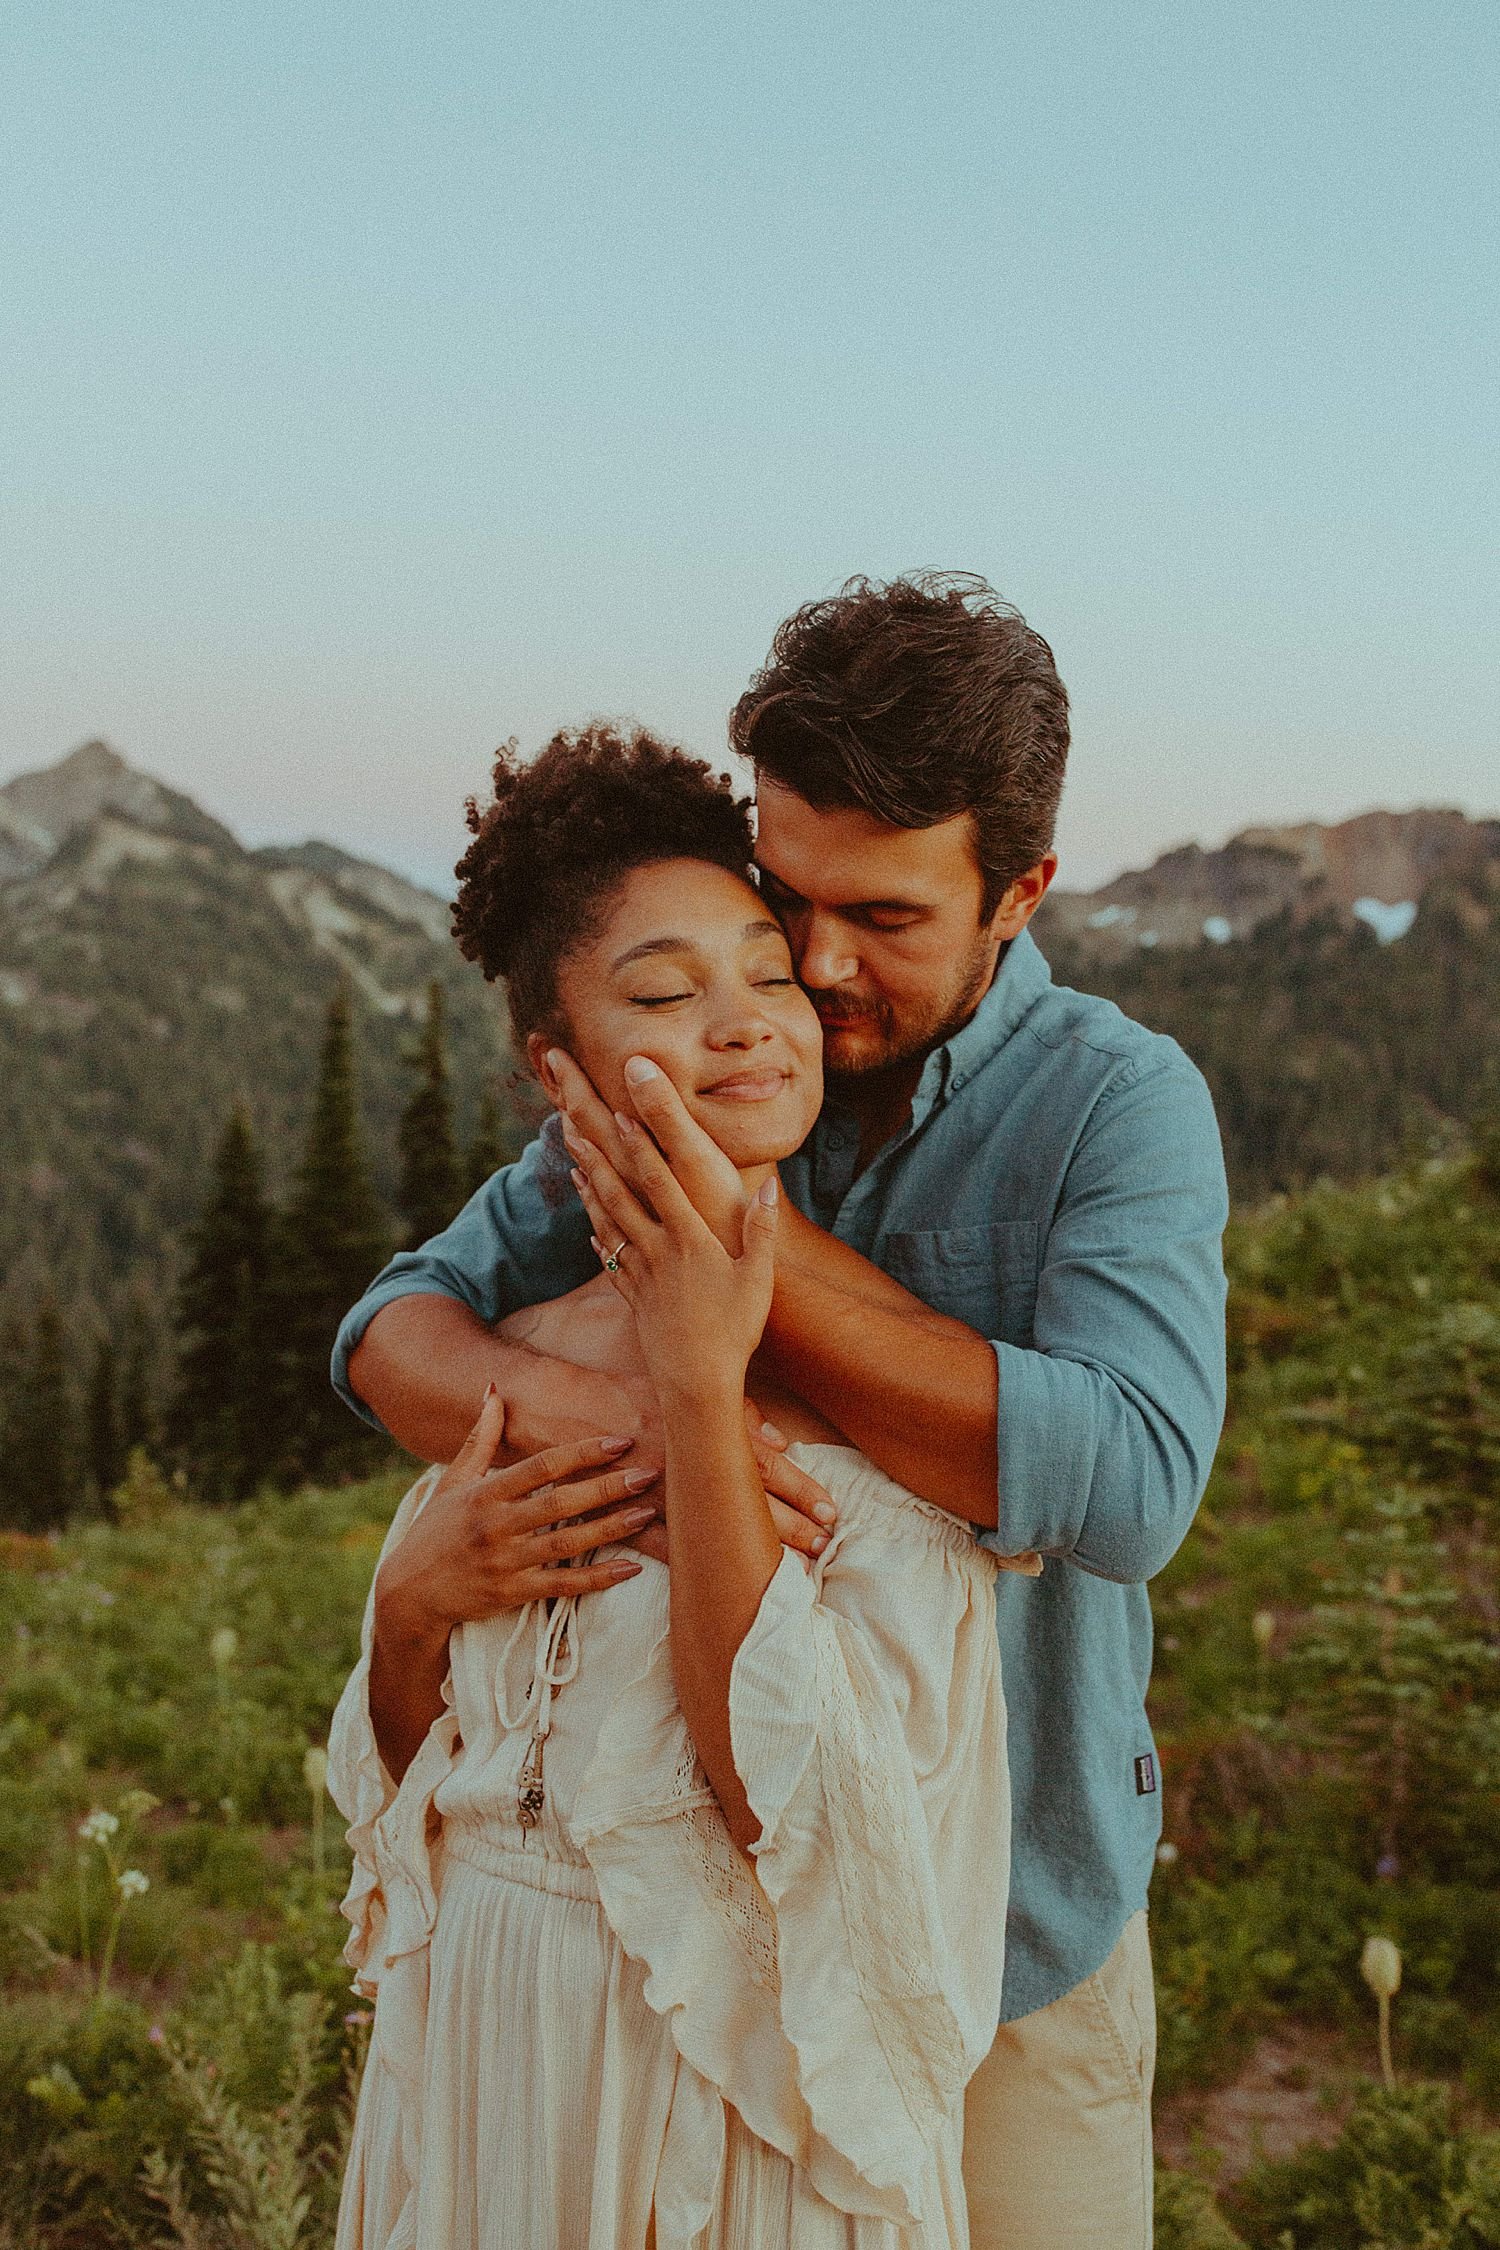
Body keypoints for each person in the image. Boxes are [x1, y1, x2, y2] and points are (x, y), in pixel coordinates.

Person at [334, 575, 1230, 2249]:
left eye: (882, 917)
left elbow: (1126, 1487)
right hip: (691, 1942)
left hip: (1010, 1941)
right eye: (786, 888)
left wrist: (745, 1246)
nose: (811, 968)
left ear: (1018, 891)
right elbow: (394, 1329)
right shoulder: (706, 1054)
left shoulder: (1114, 1107)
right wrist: (659, 1420)